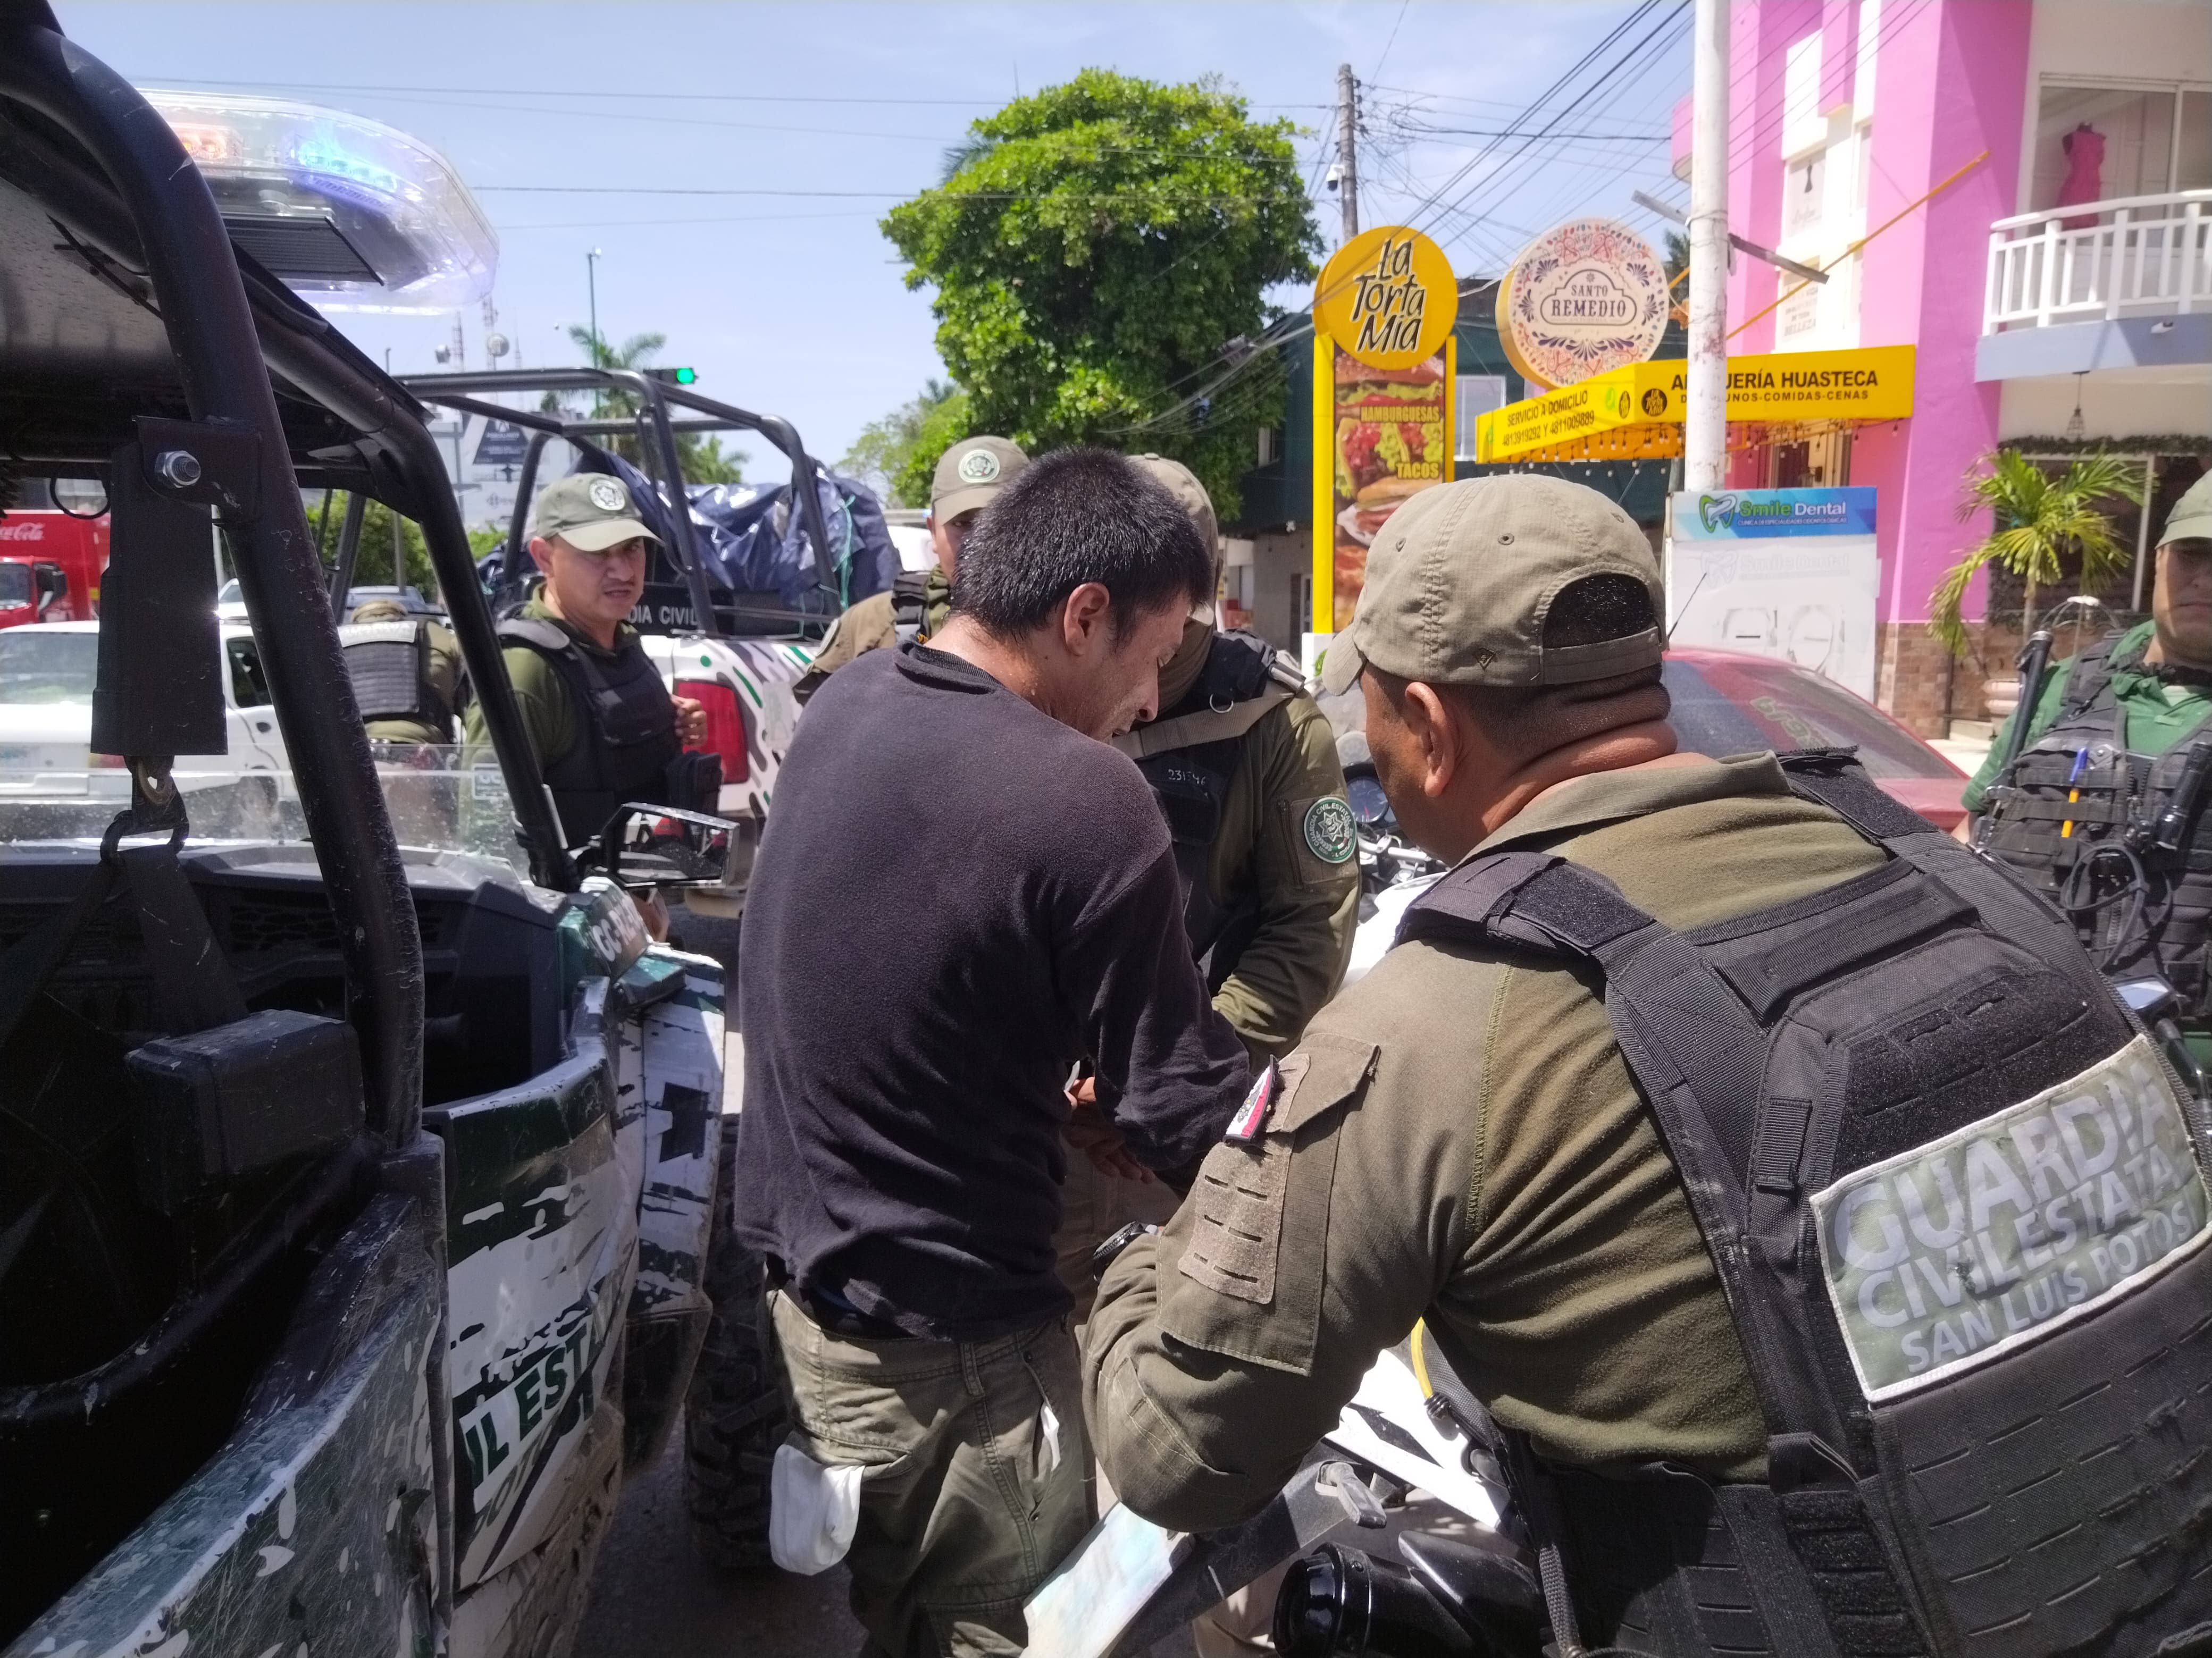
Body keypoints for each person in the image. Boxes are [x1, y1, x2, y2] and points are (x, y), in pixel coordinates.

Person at [1083, 474, 2212, 1656]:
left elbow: (1179, 1452)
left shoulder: (1429, 1028)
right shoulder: (1950, 882)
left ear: (1424, 721)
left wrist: (1132, 1265)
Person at [735, 447, 1250, 1658]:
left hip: (818, 1309)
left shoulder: (852, 702)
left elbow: (903, 960)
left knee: (902, 1612)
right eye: (1152, 654)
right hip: (956, 1348)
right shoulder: (1085, 795)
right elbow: (1183, 1097)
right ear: (1083, 615)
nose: (1149, 697)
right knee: (1015, 1630)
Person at [1056, 456, 1356, 1308]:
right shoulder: (1040, 681)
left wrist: (1160, 1079)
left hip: (1187, 1119)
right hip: (1047, 1117)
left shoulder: (1269, 717)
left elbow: (1312, 926)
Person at [1963, 470, 2212, 1053]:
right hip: (2026, 1030)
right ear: (2158, 559)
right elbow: (1971, 833)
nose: (2203, 578)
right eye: (2191, 555)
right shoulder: (2058, 688)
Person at [461, 472, 709, 848]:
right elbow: (487, 839)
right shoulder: (525, 672)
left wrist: (667, 721)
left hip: (638, 898)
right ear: (545, 557)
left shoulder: (620, 641)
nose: (625, 572)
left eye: (632, 548)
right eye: (597, 553)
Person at [792, 436, 1028, 703]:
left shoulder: (1071, 629)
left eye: (997, 523)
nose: (980, 540)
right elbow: (822, 734)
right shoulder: (869, 627)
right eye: (963, 524)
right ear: (932, 531)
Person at [340, 595, 462, 747]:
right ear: (401, 615)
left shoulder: (331, 643)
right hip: (422, 753)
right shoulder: (441, 637)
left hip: (352, 754)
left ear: (355, 620)